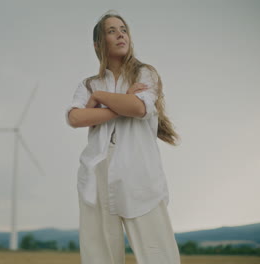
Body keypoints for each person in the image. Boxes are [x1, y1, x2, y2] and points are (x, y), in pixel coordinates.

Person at [65, 10, 182, 264]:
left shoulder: (145, 74)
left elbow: (139, 109)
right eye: (112, 31)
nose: (121, 35)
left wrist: (100, 100)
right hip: (96, 174)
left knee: (158, 253)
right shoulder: (89, 84)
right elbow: (75, 118)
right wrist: (120, 102)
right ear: (98, 44)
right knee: (99, 254)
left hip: (138, 172)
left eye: (124, 29)